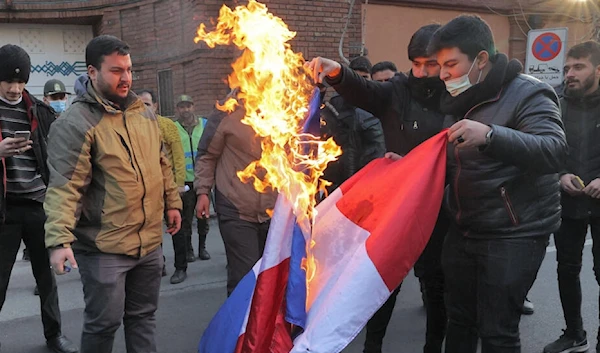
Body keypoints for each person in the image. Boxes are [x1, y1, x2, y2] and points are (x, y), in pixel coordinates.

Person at [425, 15, 565, 353]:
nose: (443, 73)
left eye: (451, 64)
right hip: (464, 228)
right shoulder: (459, 99)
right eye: (439, 65)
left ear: (481, 60)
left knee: (497, 331)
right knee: (459, 321)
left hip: (513, 232)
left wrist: (490, 136)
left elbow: (553, 149)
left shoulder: (529, 92)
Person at [308, 24, 449, 353]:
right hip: (395, 209)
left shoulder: (456, 93)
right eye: (416, 64)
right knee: (381, 284)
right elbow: (365, 92)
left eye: (431, 65)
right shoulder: (397, 90)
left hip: (439, 209)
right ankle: (373, 346)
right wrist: (338, 73)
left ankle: (433, 346)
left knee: (436, 286)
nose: (423, 72)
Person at [44, 35, 182, 353]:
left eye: (129, 70)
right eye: (116, 71)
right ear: (92, 72)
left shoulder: (142, 113)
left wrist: (172, 203)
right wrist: (59, 241)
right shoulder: (75, 123)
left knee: (143, 319)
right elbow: (65, 188)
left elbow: (161, 163)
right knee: (103, 325)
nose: (126, 78)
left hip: (148, 244)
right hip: (105, 249)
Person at [0, 44, 78, 353]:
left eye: (20, 82)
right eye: (7, 81)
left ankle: (54, 335)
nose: (14, 88)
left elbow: (58, 159)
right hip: (4, 210)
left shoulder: (39, 111)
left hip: (38, 205)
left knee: (46, 277)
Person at [543, 40, 600, 353]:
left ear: (598, 70)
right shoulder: (555, 102)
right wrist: (559, 175)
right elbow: (545, 146)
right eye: (566, 68)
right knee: (566, 268)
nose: (569, 74)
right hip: (569, 203)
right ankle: (574, 333)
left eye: (578, 67)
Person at [194, 91, 278, 296]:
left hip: (274, 211)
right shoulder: (225, 111)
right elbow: (207, 155)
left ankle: (268, 327)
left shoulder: (283, 108)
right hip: (236, 208)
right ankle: (239, 326)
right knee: (245, 279)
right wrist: (203, 192)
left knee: (273, 278)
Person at [169, 94, 211, 285]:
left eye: (188, 106)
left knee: (203, 216)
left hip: (203, 179)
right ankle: (189, 250)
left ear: (193, 107)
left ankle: (202, 247)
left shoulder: (204, 124)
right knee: (186, 219)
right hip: (184, 180)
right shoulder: (173, 128)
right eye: (181, 107)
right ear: (177, 109)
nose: (185, 110)